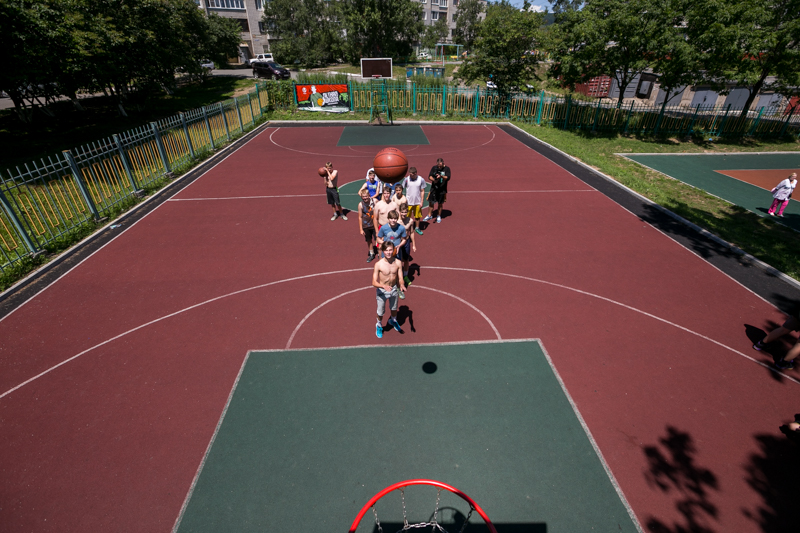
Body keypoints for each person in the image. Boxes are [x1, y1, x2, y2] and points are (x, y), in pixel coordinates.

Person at [372, 240, 406, 338]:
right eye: (386, 250)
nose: (388, 252)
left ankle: (393, 320)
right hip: (382, 291)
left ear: (394, 250)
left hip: (394, 289)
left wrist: (402, 284)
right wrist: (383, 286)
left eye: (390, 250)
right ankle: (379, 325)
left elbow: (400, 277)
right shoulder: (378, 264)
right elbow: (373, 282)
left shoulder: (398, 263)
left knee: (394, 308)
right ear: (383, 251)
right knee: (380, 312)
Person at [377, 210, 408, 299]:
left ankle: (398, 288)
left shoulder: (401, 228)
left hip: (396, 253)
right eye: (391, 218)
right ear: (388, 219)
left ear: (397, 219)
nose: (393, 220)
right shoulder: (383, 228)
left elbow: (404, 239)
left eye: (395, 218)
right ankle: (384, 288)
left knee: (397, 271)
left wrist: (399, 246)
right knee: (385, 271)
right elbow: (378, 238)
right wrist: (384, 244)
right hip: (386, 253)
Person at [423, 158, 451, 225]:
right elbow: (429, 176)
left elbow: (448, 177)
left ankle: (438, 215)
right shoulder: (434, 168)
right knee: (431, 202)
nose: (439, 167)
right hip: (434, 189)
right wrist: (434, 180)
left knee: (440, 203)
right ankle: (429, 215)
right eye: (438, 166)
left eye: (440, 166)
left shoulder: (447, 169)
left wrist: (441, 176)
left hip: (442, 189)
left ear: (443, 163)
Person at [402, 167, 426, 235]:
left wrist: (421, 202)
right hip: (408, 202)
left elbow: (422, 191)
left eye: (411, 175)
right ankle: (406, 228)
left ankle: (417, 228)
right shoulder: (406, 179)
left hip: (417, 202)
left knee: (417, 216)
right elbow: (402, 188)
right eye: (409, 174)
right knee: (406, 216)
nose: (410, 176)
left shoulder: (421, 179)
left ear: (415, 173)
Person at [398, 204, 417, 287]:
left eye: (405, 212)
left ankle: (405, 276)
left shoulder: (410, 221)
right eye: (402, 212)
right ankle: (398, 277)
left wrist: (414, 245)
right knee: (398, 261)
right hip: (398, 242)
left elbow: (412, 232)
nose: (404, 214)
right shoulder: (396, 221)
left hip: (406, 241)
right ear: (399, 212)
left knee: (406, 260)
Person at [357, 188, 377, 262]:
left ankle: (379, 253)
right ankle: (372, 253)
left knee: (378, 239)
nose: (365, 198)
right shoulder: (360, 205)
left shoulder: (375, 201)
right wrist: (361, 229)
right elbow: (360, 217)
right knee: (369, 240)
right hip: (366, 225)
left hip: (375, 225)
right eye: (363, 196)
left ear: (369, 195)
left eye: (366, 196)